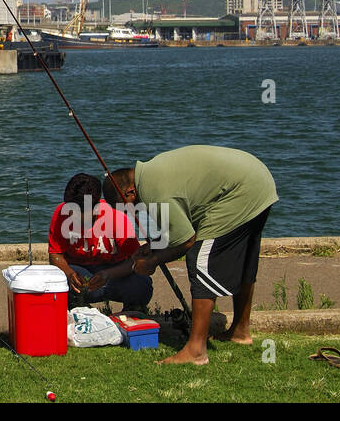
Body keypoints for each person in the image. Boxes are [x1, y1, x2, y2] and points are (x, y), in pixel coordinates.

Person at [105, 145, 279, 366]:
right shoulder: (151, 174)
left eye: (126, 206)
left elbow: (187, 240)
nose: (131, 211)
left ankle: (196, 350)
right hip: (259, 182)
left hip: (240, 192)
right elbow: (179, 223)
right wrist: (153, 247)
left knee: (199, 260)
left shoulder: (151, 191)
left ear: (130, 192)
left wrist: (153, 261)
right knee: (244, 259)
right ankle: (241, 331)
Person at [47, 173, 152, 312]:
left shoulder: (116, 216)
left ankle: (132, 314)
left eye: (81, 213)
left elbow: (135, 260)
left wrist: (108, 274)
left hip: (113, 274)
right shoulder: (61, 214)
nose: (74, 216)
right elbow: (56, 255)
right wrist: (69, 273)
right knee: (56, 280)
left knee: (141, 283)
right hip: (79, 271)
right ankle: (79, 312)